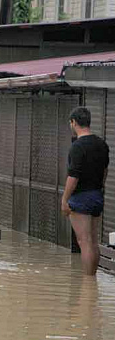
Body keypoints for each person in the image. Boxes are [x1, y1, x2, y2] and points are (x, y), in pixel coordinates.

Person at [61, 107, 110, 276]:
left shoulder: (77, 146)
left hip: (81, 197)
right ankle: (92, 280)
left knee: (84, 241)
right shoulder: (101, 144)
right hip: (97, 195)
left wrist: (65, 199)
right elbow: (105, 171)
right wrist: (100, 188)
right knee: (93, 241)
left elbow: (73, 177)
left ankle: (88, 282)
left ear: (73, 122)